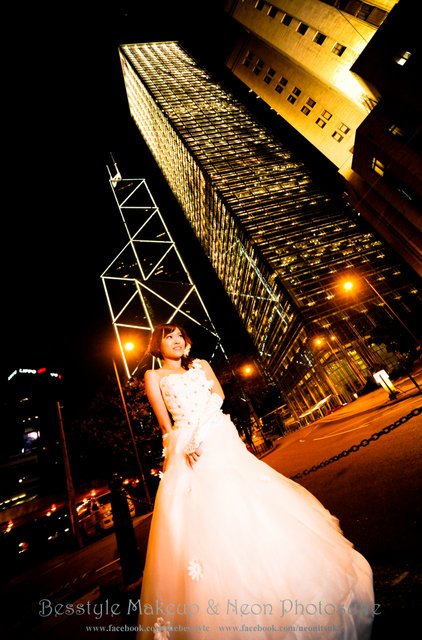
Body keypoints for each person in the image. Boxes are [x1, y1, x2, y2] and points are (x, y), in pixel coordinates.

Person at [138, 323, 375, 639]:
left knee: (246, 499)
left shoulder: (201, 365)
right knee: (203, 518)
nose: (177, 341)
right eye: (169, 337)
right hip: (187, 450)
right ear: (159, 343)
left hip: (216, 436)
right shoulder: (154, 376)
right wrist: (180, 448)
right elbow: (165, 426)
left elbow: (218, 396)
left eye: (180, 335)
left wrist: (200, 433)